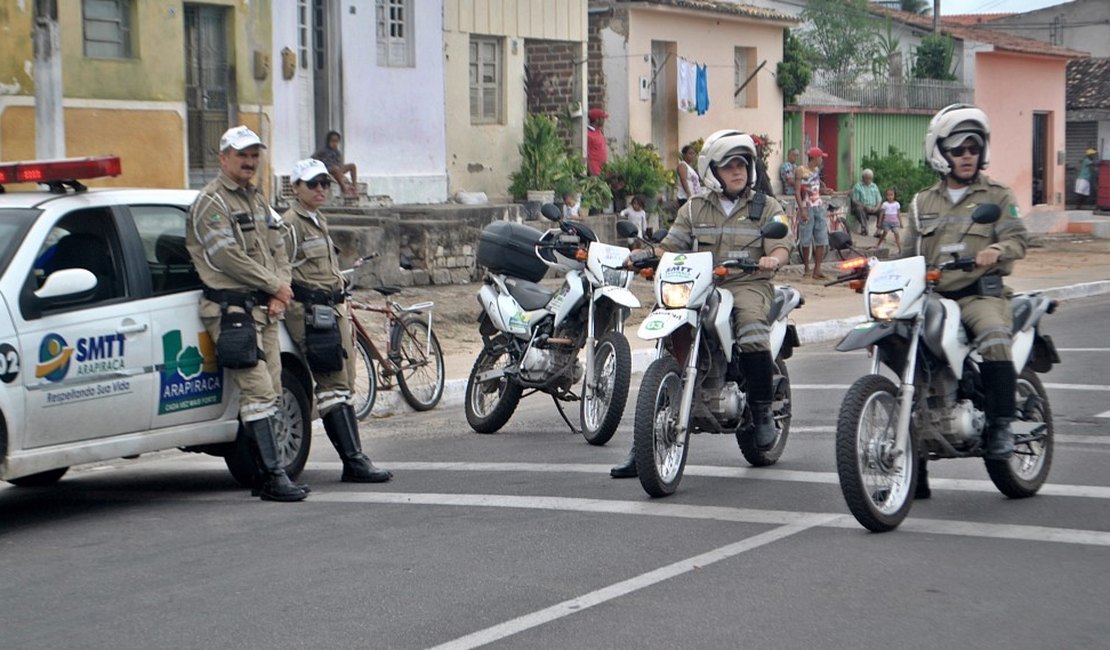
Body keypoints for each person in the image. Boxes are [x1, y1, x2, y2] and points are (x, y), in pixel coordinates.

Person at [610, 130, 794, 478]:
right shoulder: (694, 208)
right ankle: (644, 445)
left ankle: (763, 410)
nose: (737, 171)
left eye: (742, 164)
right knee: (668, 342)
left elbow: (782, 245)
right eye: (729, 166)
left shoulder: (767, 207)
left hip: (747, 284)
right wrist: (647, 254)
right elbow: (673, 246)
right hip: (701, 285)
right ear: (713, 170)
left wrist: (774, 260)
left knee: (753, 328)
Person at [904, 103, 1028, 498]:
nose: (967, 155)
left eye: (973, 147)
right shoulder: (922, 202)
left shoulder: (997, 194)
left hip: (978, 293)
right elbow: (907, 253)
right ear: (940, 152)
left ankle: (1002, 425)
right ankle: (914, 467)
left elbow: (1019, 238)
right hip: (933, 295)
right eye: (958, 149)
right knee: (907, 357)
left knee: (993, 335)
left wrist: (998, 249)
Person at [185, 125, 307, 502]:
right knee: (256, 391)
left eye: (254, 154)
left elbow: (280, 247)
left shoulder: (257, 200)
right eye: (242, 155)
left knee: (269, 392)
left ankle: (262, 475)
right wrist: (274, 285)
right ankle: (272, 476)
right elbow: (226, 257)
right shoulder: (212, 202)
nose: (250, 161)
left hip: (265, 310)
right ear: (223, 159)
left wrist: (280, 291)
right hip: (232, 312)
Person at [281, 159, 393, 484]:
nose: (320, 190)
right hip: (311, 314)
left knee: (343, 385)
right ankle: (354, 460)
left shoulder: (318, 220)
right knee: (331, 386)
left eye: (324, 184)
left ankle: (355, 460)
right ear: (296, 187)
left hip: (333, 311)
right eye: (312, 184)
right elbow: (280, 271)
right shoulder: (291, 224)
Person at [794, 146, 829, 279]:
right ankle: (807, 268)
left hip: (818, 206)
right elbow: (797, 191)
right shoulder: (800, 170)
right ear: (814, 158)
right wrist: (802, 209)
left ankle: (817, 269)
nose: (821, 160)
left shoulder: (816, 170)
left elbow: (816, 187)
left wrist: (825, 190)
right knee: (806, 238)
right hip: (806, 206)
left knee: (821, 238)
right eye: (820, 157)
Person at [313, 130, 358, 198]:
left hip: (337, 168)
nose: (334, 143)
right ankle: (344, 188)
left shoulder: (337, 152)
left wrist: (341, 170)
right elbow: (313, 158)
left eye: (336, 142)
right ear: (328, 141)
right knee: (335, 169)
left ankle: (354, 186)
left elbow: (339, 162)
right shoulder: (322, 150)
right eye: (333, 141)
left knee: (352, 166)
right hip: (327, 168)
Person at [850, 168, 882, 236]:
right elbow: (855, 200)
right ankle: (864, 228)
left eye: (870, 178)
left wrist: (876, 208)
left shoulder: (874, 186)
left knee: (882, 209)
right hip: (863, 207)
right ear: (863, 178)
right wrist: (865, 207)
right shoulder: (858, 186)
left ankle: (878, 230)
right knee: (859, 209)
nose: (868, 180)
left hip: (873, 207)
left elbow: (879, 200)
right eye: (866, 178)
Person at [875, 188, 902, 254]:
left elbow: (898, 214)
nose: (890, 197)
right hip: (887, 222)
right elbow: (882, 214)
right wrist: (879, 222)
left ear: (894, 195)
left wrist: (901, 222)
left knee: (897, 235)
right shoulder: (885, 204)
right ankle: (878, 245)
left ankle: (900, 249)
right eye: (888, 195)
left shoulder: (897, 204)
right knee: (884, 234)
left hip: (895, 222)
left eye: (891, 195)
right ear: (886, 196)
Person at [675, 144, 702, 210]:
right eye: (690, 153)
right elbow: (683, 179)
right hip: (685, 197)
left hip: (694, 197)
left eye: (693, 153)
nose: (693, 155)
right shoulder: (682, 165)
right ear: (684, 155)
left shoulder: (690, 167)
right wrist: (689, 194)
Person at [586, 108, 609, 177]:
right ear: (597, 120)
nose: (604, 120)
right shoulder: (588, 134)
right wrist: (591, 172)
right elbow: (586, 154)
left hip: (603, 169)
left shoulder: (599, 131)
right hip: (595, 170)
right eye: (602, 118)